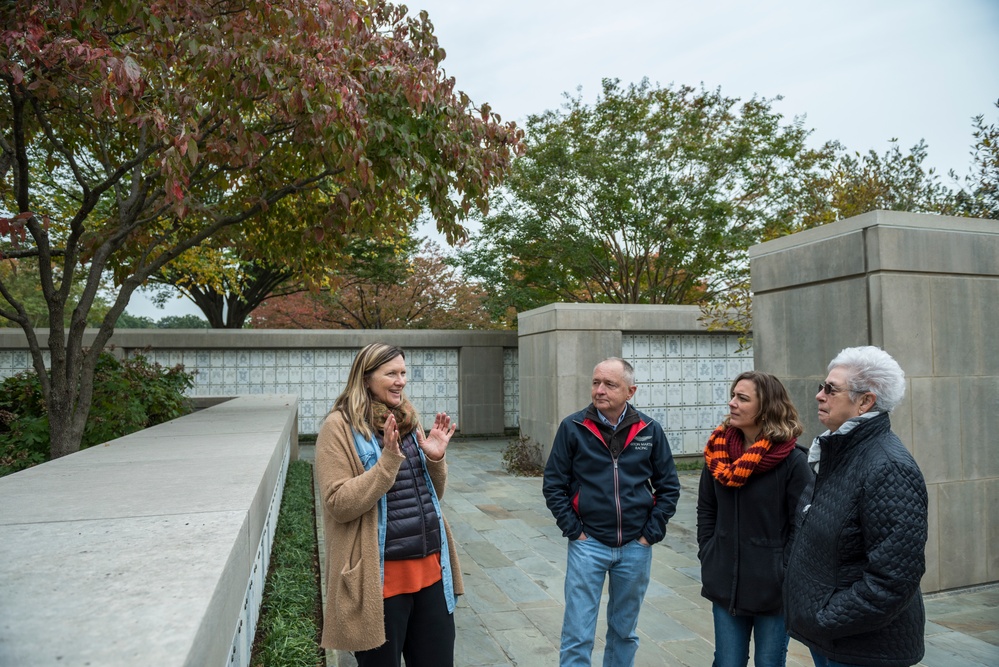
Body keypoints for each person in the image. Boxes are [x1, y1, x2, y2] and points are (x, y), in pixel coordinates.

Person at [315, 343, 462, 667]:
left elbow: (429, 496)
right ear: (366, 378)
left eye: (403, 373)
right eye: (391, 373)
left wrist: (435, 460)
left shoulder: (406, 418)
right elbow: (338, 503)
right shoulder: (337, 428)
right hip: (379, 584)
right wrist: (385, 465)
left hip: (432, 574)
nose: (401, 381)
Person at [784, 346, 928, 667]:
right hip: (829, 638)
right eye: (822, 386)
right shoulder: (838, 450)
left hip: (862, 648)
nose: (820, 395)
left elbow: (894, 579)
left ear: (865, 402)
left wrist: (826, 616)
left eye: (831, 389)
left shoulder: (888, 467)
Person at [543, 357, 681, 667]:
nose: (600, 390)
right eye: (595, 382)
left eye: (609, 384)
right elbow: (554, 485)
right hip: (588, 545)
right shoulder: (573, 427)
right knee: (577, 632)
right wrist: (574, 531)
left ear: (630, 391)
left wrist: (649, 535)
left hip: (635, 547)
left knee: (625, 633)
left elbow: (669, 486)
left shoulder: (649, 430)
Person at [697, 371, 811, 667]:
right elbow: (706, 510)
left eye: (742, 398)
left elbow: (803, 527)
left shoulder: (793, 462)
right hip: (725, 582)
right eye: (733, 395)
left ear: (766, 408)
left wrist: (783, 571)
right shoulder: (717, 453)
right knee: (727, 662)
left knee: (769, 663)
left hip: (773, 591)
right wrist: (709, 553)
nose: (732, 403)